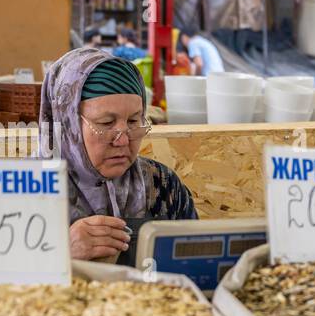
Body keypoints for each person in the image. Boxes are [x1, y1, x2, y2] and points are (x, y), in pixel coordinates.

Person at [39, 47, 197, 262]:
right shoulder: (24, 189)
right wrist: (57, 253)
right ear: (68, 124)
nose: (123, 141)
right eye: (105, 123)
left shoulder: (162, 186)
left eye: (134, 121)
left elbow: (195, 265)